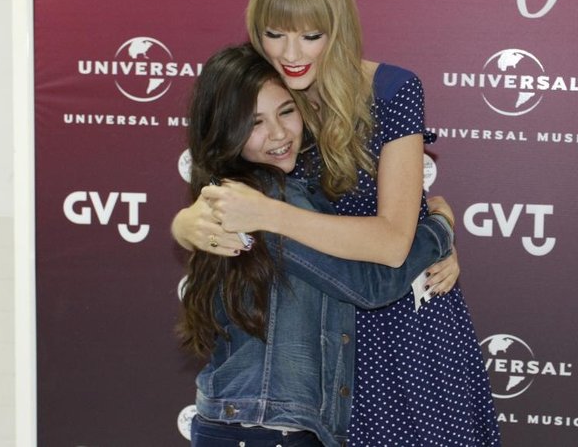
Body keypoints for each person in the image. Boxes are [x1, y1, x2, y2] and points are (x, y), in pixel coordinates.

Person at [173, 0, 501, 446]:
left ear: (339, 27)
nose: (291, 53)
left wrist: (269, 214)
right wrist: (186, 222)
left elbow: (392, 243)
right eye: (274, 34)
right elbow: (225, 186)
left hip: (411, 330)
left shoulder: (393, 91)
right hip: (323, 350)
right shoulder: (268, 98)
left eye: (311, 35)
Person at [180, 43, 457, 447]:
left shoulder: (277, 189)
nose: (277, 133)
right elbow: (371, 283)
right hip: (263, 430)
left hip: (266, 426)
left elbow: (362, 242)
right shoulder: (258, 203)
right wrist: (439, 229)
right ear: (226, 132)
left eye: (286, 111)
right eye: (254, 123)